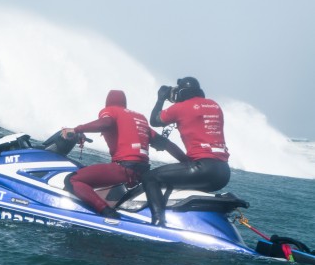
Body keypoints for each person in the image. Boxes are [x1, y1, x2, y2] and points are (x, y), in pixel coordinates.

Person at [60, 90, 186, 220]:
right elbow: (165, 143)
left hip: (124, 169)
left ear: (107, 102)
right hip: (142, 171)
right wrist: (187, 162)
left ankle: (108, 214)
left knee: (72, 179)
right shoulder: (139, 118)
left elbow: (106, 123)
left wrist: (76, 129)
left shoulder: (110, 111)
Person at [143, 77, 230, 227]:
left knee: (149, 177)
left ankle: (158, 221)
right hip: (223, 172)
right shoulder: (215, 105)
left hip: (203, 168)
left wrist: (161, 98)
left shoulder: (181, 107)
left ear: (182, 92)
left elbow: (154, 121)